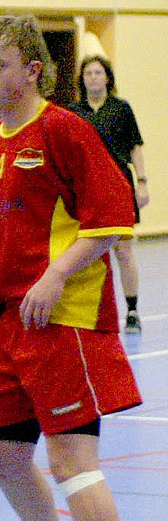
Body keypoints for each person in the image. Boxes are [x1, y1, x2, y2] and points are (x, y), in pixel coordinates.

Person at [0, 14, 151, 521]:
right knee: (3, 458)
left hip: (64, 320)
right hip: (11, 324)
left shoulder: (66, 130)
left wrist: (54, 275)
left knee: (71, 460)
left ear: (32, 69)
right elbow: (21, 219)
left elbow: (111, 219)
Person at [69, 54, 149, 334]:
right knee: (87, 254)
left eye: (98, 73)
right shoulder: (74, 112)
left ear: (107, 78)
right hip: (86, 190)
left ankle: (132, 310)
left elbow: (136, 147)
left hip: (119, 187)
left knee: (124, 251)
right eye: (88, 73)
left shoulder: (121, 109)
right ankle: (93, 314)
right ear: (83, 79)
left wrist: (142, 182)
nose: (93, 78)